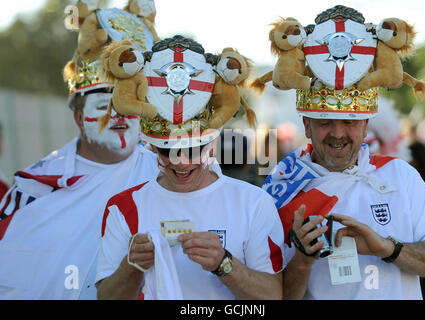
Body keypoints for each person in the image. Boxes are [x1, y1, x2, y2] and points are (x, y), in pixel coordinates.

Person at [263, 5, 425, 300]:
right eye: (325, 123)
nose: (338, 134)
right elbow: (269, 296)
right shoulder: (282, 186)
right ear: (307, 125)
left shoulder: (400, 175)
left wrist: (387, 248)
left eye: (349, 122)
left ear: (365, 126)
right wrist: (302, 260)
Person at [95, 35, 285, 300]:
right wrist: (132, 266)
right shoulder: (123, 207)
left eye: (193, 150)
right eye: (167, 150)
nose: (180, 161)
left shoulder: (254, 203)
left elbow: (273, 295)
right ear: (150, 146)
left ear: (212, 144)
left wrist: (224, 264)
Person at [0, 61, 158, 300]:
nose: (117, 115)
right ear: (79, 118)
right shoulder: (35, 187)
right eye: (104, 106)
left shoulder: (165, 172)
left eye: (126, 104)